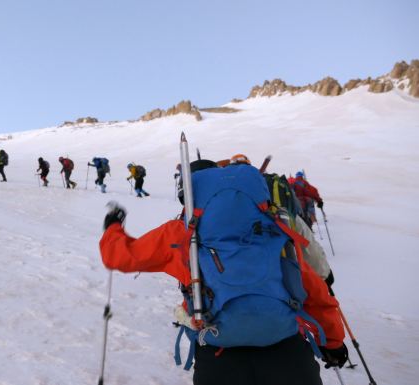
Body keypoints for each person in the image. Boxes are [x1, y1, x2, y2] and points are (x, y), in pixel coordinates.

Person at [99, 159, 348, 385]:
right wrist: (334, 343)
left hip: (219, 358)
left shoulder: (183, 234)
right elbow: (314, 291)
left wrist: (113, 229)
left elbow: (120, 256)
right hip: (288, 354)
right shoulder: (273, 228)